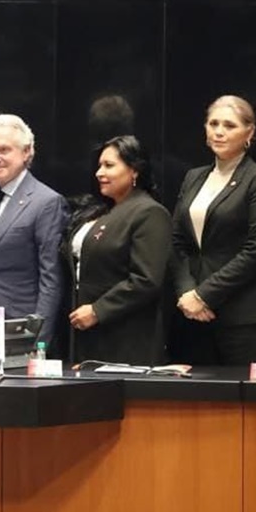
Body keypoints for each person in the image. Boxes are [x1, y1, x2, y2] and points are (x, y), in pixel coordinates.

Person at [170, 95, 256, 365]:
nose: (219, 132)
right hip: (192, 315)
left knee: (247, 405)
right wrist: (187, 293)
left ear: (250, 131)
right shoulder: (193, 177)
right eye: (213, 123)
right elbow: (176, 242)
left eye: (230, 125)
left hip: (245, 319)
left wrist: (204, 295)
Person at [63, 136, 171, 366]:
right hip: (87, 330)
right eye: (99, 166)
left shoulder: (150, 213)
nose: (99, 173)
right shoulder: (102, 210)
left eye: (109, 166)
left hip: (125, 336)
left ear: (135, 171)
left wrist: (97, 310)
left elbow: (146, 280)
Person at [0, 114, 67, 349]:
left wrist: (38, 340)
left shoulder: (46, 202)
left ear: (26, 152)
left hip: (20, 329)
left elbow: (51, 278)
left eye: (3, 149)